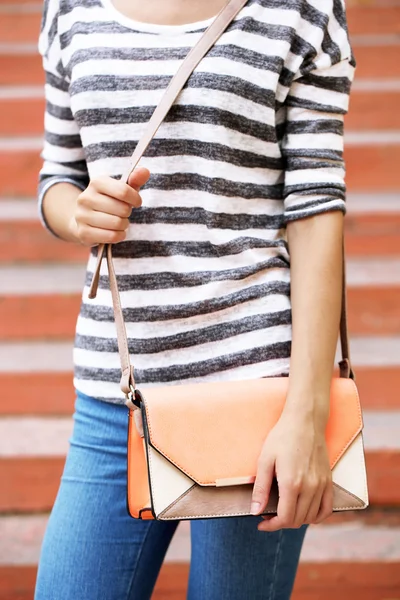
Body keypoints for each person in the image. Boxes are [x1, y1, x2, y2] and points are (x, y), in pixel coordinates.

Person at [34, 0, 355, 598]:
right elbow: (58, 175)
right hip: (117, 391)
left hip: (257, 394)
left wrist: (305, 417)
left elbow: (316, 209)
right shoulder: (68, 9)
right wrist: (79, 215)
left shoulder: (301, 10)